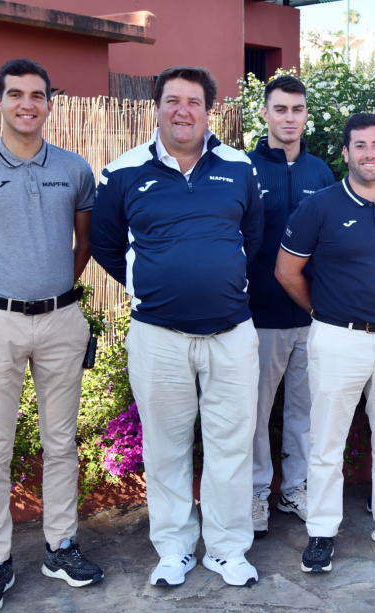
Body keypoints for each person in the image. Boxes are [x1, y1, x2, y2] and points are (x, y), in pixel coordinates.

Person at [0, 58, 104, 613]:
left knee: (61, 442)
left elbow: (85, 245)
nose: (27, 104)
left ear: (49, 103)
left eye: (37, 95)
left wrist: (51, 291)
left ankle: (61, 546)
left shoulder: (76, 169)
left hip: (60, 319)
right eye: (16, 95)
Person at [90, 66, 264, 586]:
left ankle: (228, 548)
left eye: (193, 101)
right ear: (157, 107)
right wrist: (155, 284)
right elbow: (104, 245)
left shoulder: (239, 168)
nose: (182, 110)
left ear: (209, 110)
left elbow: (250, 241)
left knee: (231, 444)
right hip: (157, 337)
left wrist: (217, 279)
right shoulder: (121, 172)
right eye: (172, 100)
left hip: (231, 333)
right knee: (165, 445)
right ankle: (174, 547)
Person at [275, 113, 375, 573]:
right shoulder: (320, 206)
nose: (370, 154)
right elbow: (287, 271)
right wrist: (324, 313)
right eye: (360, 146)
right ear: (345, 153)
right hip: (336, 338)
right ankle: (322, 530)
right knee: (327, 440)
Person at [246, 75, 335, 538]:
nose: (289, 118)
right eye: (280, 109)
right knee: (256, 413)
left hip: (313, 315)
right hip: (260, 316)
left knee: (305, 411)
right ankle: (257, 493)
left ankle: (294, 488)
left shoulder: (321, 172)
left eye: (297, 109)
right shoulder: (243, 168)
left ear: (305, 115)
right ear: (264, 113)